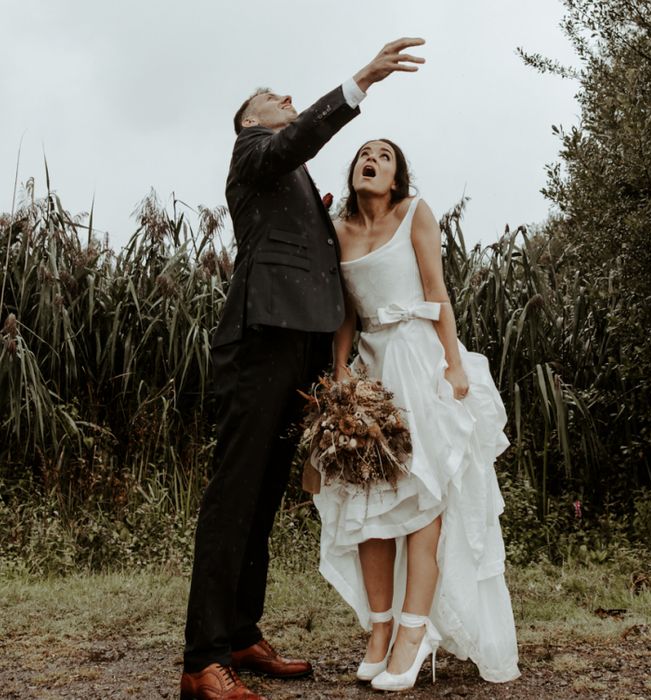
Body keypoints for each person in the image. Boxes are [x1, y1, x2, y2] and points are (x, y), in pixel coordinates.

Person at [180, 40, 426, 700]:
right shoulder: (254, 154)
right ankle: (202, 659)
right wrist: (363, 80)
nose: (286, 100)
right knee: (234, 496)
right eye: (272, 98)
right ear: (249, 120)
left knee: (262, 497)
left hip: (300, 351)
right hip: (259, 343)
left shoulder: (289, 180)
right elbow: (294, 140)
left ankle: (239, 633)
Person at [313, 139, 521, 692]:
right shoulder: (339, 232)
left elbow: (439, 294)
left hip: (419, 359)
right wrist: (340, 372)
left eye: (383, 154)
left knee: (423, 502)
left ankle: (414, 633)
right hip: (372, 371)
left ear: (397, 174)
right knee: (369, 504)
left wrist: (454, 366)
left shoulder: (414, 214)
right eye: (362, 153)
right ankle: (379, 632)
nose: (370, 158)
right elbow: (343, 314)